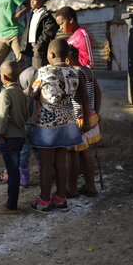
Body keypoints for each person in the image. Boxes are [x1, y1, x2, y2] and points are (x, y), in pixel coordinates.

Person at [28, 38, 82, 214]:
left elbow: (33, 92)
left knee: (46, 163)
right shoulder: (74, 73)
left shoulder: (44, 71)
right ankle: (61, 198)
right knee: (61, 162)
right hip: (68, 123)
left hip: (48, 125)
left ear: (51, 55)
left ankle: (44, 201)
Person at [66, 46, 102, 198]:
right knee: (85, 153)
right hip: (91, 116)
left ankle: (72, 189)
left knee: (74, 155)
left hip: (80, 120)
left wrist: (86, 121)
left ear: (68, 59)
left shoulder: (76, 73)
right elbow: (98, 92)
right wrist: (96, 114)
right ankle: (90, 186)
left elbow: (85, 98)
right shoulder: (88, 70)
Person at [0, 61, 27, 215]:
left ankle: (11, 206)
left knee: (13, 173)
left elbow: (2, 117)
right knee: (14, 171)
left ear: (4, 76)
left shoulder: (5, 93)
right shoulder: (21, 92)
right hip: (20, 136)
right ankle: (10, 202)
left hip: (9, 138)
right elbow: (25, 114)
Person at [21, 0, 59, 69]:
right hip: (31, 47)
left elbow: (49, 32)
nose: (31, 2)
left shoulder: (46, 16)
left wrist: (39, 45)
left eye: (34, 0)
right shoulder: (33, 13)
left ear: (43, 1)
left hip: (40, 49)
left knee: (40, 70)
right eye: (31, 0)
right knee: (32, 70)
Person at [17, 66, 40, 187]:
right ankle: (44, 174)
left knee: (24, 152)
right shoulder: (39, 94)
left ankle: (24, 179)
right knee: (38, 151)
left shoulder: (21, 95)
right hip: (37, 126)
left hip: (23, 127)